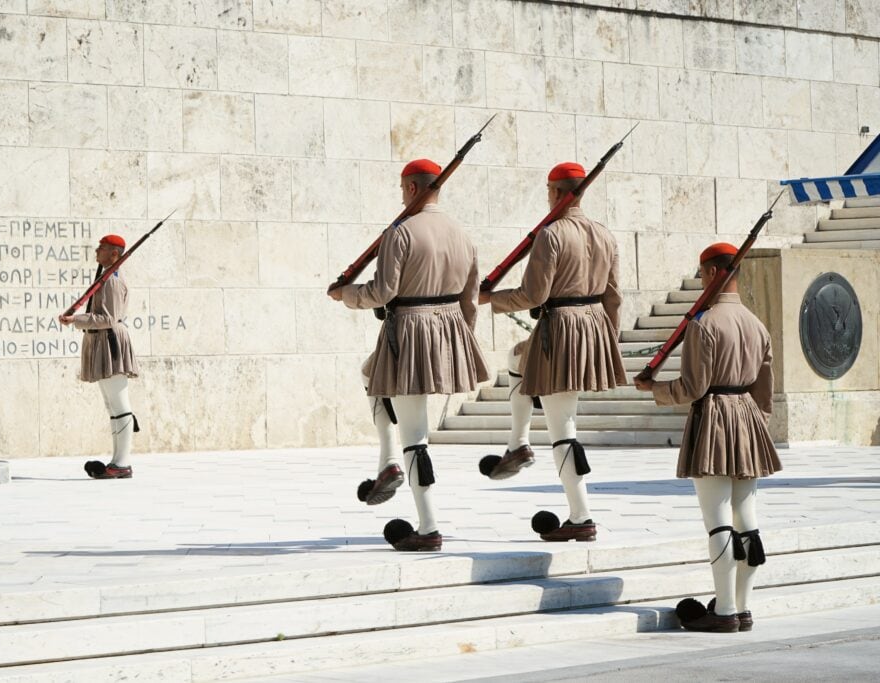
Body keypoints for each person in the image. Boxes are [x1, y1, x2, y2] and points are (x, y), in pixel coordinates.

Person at [329, 158, 489, 551]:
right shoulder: (461, 234)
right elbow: (470, 299)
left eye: (403, 189)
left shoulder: (400, 232)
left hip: (410, 331)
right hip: (448, 329)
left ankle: (428, 525)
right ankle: (387, 463)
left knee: (414, 435)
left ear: (413, 189)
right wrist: (459, 341)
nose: (402, 196)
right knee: (371, 376)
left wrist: (345, 295)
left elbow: (382, 293)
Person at [634, 242, 781, 633]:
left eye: (702, 275)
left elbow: (694, 387)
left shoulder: (704, 323)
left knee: (718, 522)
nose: (701, 282)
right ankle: (743, 607)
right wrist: (753, 424)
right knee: (747, 521)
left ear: (713, 274)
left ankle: (725, 611)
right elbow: (764, 390)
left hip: (715, 419)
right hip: (748, 418)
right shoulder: (757, 324)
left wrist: (654, 388)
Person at [478, 161, 626, 542]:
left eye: (548, 191)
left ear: (557, 193)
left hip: (561, 327)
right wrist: (608, 338)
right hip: (593, 325)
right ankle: (519, 442)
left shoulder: (552, 234)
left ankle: (581, 516)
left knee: (563, 426)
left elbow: (533, 295)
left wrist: (490, 299)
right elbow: (614, 296)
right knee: (516, 359)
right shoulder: (605, 234)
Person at [59, 234, 139, 479]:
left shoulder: (113, 281)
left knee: (119, 405)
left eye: (102, 248)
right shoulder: (106, 277)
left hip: (110, 343)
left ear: (114, 254)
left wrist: (77, 319)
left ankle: (122, 463)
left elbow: (108, 319)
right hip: (101, 343)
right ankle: (116, 462)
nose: (96, 251)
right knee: (112, 406)